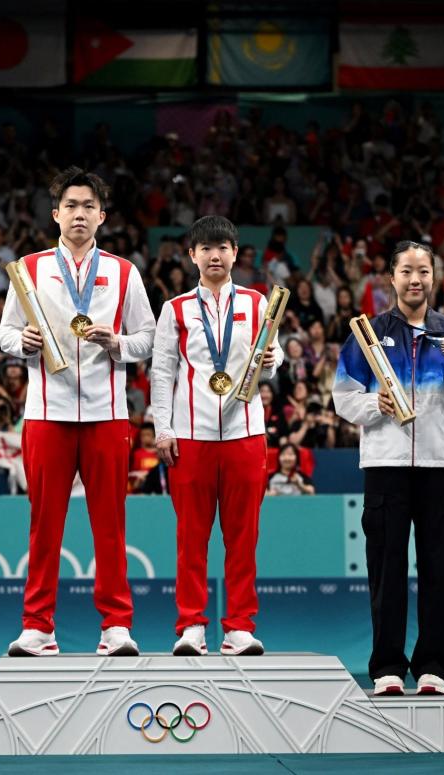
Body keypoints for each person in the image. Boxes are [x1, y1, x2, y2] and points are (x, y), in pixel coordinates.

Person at [0, 167, 156, 657]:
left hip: (107, 413)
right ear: (56, 214)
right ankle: (38, 627)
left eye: (89, 206)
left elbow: (149, 337)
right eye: (71, 206)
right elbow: (4, 334)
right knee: (45, 523)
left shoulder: (124, 272)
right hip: (47, 411)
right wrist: (20, 343)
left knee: (110, 523)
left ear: (101, 215)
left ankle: (116, 626)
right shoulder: (29, 269)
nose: (79, 214)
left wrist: (120, 343)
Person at [332, 240, 444, 696]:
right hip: (386, 465)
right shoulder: (367, 333)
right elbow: (342, 397)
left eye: (424, 272)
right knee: (387, 570)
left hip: (440, 465)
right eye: (407, 272)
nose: (416, 280)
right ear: (391, 278)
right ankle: (387, 669)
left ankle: (434, 667)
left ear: (435, 278)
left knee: (438, 570)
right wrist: (372, 404)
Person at [149, 215, 281, 657]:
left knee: (243, 536)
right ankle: (191, 626)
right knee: (191, 537)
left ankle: (239, 626)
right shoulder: (176, 309)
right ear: (192, 256)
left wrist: (270, 359)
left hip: (246, 433)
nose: (215, 255)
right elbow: (162, 371)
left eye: (223, 247)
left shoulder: (257, 303)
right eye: (206, 248)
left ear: (236, 253)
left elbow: (274, 358)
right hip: (191, 436)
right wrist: (163, 428)